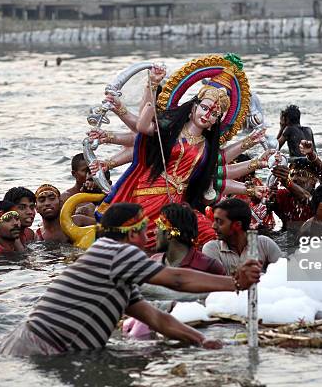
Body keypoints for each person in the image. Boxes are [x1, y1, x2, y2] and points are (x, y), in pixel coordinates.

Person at [0, 203, 262, 356]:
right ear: (133, 233)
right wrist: (235, 283)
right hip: (40, 349)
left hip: (31, 346)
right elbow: (177, 280)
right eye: (143, 228)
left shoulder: (115, 270)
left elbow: (157, 319)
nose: (147, 234)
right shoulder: (116, 252)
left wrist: (201, 340)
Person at [93, 59, 271, 251]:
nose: (207, 114)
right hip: (148, 194)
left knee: (209, 234)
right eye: (205, 107)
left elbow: (219, 168)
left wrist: (251, 146)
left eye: (213, 114)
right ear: (194, 106)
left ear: (215, 122)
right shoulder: (170, 129)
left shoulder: (207, 147)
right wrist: (152, 86)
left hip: (179, 204)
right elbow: (142, 127)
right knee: (145, 239)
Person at [203, 198, 281, 275]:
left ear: (237, 225)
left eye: (219, 221)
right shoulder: (212, 249)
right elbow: (217, 284)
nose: (213, 226)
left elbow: (283, 275)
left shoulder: (264, 244)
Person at [151, 203, 226, 275]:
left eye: (158, 226)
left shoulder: (209, 267)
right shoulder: (153, 262)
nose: (155, 232)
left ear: (169, 234)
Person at [267, 158, 318, 230]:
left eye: (300, 175)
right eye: (292, 174)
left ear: (314, 180)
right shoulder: (283, 195)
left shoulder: (321, 197)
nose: (294, 178)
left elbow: (306, 197)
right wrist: (268, 198)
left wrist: (286, 182)